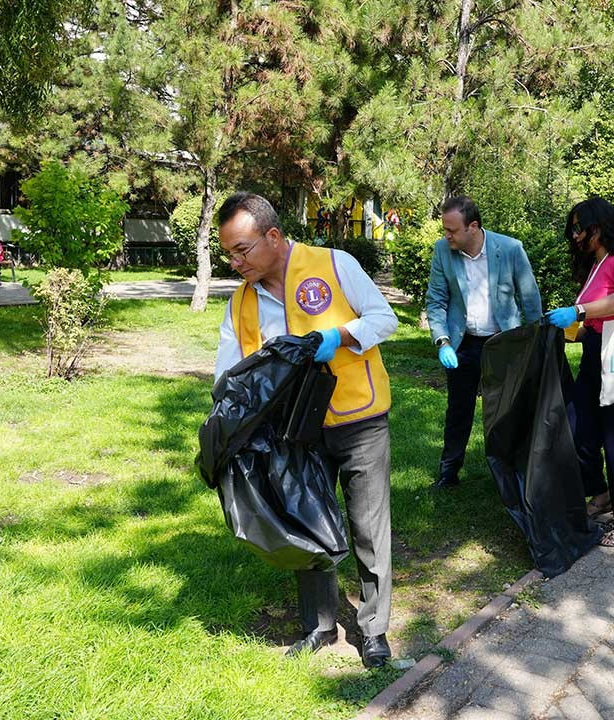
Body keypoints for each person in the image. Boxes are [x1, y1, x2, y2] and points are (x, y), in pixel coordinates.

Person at [213, 192, 398, 668]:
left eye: (242, 249)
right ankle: (319, 625)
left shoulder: (334, 265)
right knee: (308, 523)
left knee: (368, 525)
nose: (235, 262)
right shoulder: (239, 305)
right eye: (228, 252)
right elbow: (228, 377)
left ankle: (374, 629)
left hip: (359, 419)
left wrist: (339, 336)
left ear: (273, 236)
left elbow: (385, 318)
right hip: (293, 435)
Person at [545, 197, 614, 548]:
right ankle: (601, 494)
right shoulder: (597, 263)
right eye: (572, 228)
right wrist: (570, 327)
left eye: (580, 227)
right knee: (578, 431)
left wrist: (576, 311)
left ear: (599, 225)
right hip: (596, 356)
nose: (574, 235)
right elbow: (594, 317)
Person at [425, 196, 543, 489]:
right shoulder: (443, 251)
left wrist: (536, 341)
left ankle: (510, 473)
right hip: (462, 344)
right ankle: (449, 471)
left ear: (473, 227)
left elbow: (529, 298)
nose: (446, 236)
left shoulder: (510, 248)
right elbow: (436, 301)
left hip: (504, 343)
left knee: (506, 410)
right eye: (445, 230)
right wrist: (442, 341)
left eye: (451, 230)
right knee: (458, 410)